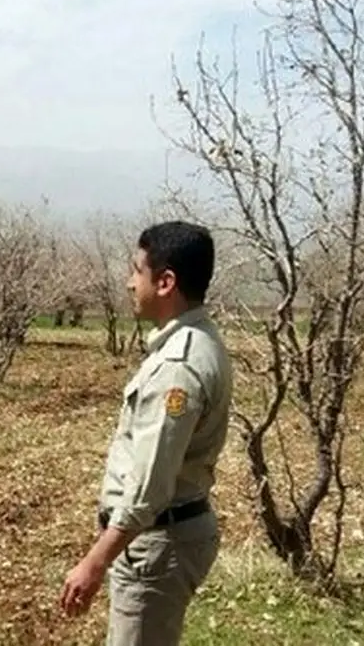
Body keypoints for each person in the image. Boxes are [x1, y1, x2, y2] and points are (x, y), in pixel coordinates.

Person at [59, 220, 233, 644]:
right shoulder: (196, 340)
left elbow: (150, 488)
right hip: (162, 537)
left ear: (165, 282)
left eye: (136, 271)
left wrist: (93, 563)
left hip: (159, 545)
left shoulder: (178, 367)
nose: (128, 282)